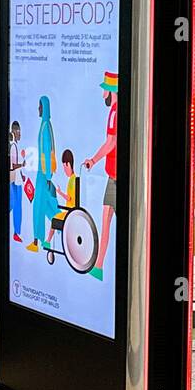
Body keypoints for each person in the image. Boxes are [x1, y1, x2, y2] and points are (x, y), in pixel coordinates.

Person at [83, 70, 118, 268]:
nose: (102, 94)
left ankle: (99, 265)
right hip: (113, 175)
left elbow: (111, 142)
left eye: (104, 90)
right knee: (105, 217)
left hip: (115, 176)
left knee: (106, 218)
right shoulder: (115, 110)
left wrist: (93, 160)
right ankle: (98, 265)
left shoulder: (114, 112)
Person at [27, 95, 57, 254]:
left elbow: (47, 151)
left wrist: (47, 177)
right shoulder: (45, 125)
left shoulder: (45, 126)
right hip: (43, 173)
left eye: (40, 106)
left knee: (39, 207)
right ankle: (56, 227)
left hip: (43, 174)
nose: (38, 109)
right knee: (44, 206)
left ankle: (36, 241)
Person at [8, 120, 25, 243]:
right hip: (14, 180)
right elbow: (13, 166)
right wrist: (22, 165)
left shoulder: (15, 145)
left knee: (16, 205)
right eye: (17, 131)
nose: (19, 133)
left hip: (17, 179)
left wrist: (22, 174)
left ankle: (16, 232)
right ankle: (15, 232)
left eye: (19, 131)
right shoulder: (13, 146)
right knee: (15, 204)